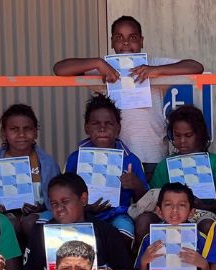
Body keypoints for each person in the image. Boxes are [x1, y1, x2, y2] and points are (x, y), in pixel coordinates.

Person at [53, 15, 204, 170]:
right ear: (111, 41)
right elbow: (60, 69)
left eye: (132, 37)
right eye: (119, 37)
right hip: (118, 159)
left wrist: (156, 71)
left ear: (141, 41)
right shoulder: (105, 67)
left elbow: (196, 67)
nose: (125, 43)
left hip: (153, 155)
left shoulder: (152, 63)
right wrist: (97, 63)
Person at [22, 173, 135, 270]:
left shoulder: (104, 230)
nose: (59, 208)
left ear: (83, 199)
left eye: (65, 201)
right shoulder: (41, 232)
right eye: (54, 204)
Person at [52, 93, 150, 240]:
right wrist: (84, 207)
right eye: (96, 124)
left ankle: (120, 264)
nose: (102, 128)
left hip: (118, 215)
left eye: (109, 124)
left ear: (118, 128)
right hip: (81, 214)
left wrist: (136, 184)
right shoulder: (75, 158)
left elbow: (146, 201)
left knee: (124, 232)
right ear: (86, 128)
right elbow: (63, 194)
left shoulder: (131, 160)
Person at [135, 104, 216, 243]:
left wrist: (202, 205)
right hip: (168, 214)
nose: (182, 141)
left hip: (202, 213)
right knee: (143, 222)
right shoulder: (165, 164)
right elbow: (155, 197)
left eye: (188, 135)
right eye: (177, 135)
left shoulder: (214, 162)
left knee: (208, 226)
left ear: (200, 134)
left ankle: (209, 264)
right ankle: (145, 262)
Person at [0, 103, 60, 237]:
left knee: (30, 222)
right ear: (4, 133)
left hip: (38, 213)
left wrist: (41, 207)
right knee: (8, 223)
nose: (21, 134)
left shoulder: (47, 163)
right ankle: (12, 258)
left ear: (36, 132)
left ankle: (32, 257)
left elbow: (57, 198)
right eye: (14, 129)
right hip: (7, 215)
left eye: (27, 129)